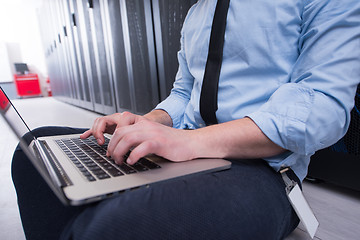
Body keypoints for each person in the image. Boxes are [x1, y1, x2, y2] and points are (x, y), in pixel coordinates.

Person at [12, 0, 360, 239]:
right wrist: (143, 122)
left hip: (262, 169)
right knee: (37, 148)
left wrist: (190, 142)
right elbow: (182, 95)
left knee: (115, 227)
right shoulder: (197, 11)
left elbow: (323, 107)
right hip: (183, 149)